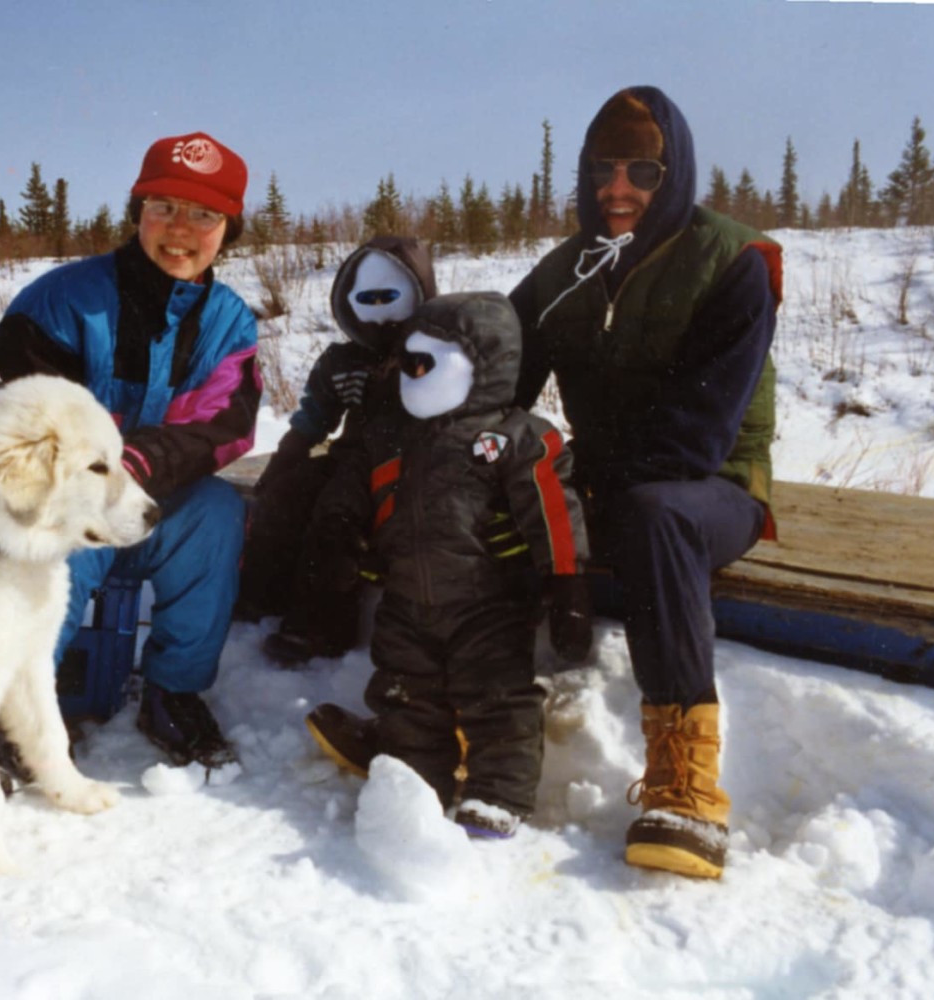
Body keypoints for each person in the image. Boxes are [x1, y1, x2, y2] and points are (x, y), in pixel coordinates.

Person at [509, 86, 781, 878]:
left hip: (711, 488)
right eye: (602, 168)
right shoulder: (565, 269)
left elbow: (701, 432)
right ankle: (453, 719)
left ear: (676, 173)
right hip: (607, 483)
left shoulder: (735, 262)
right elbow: (501, 372)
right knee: (488, 478)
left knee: (655, 514)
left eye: (642, 170)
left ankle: (685, 787)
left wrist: (584, 485)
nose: (617, 187)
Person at [0, 131, 260, 770]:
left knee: (217, 514)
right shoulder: (59, 302)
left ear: (228, 229)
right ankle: (16, 712)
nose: (181, 230)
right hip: (58, 506)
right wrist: (93, 481)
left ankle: (174, 690)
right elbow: (20, 415)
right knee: (62, 534)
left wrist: (133, 469)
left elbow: (227, 425)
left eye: (204, 215)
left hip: (152, 505)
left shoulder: (228, 322)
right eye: (165, 205)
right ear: (137, 211)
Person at [304, 291, 592, 838]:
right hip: (405, 601)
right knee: (405, 692)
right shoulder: (391, 436)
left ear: (481, 363)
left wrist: (567, 583)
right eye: (405, 363)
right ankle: (419, 782)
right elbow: (353, 490)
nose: (410, 375)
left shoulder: (512, 438)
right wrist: (341, 540)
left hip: (490, 602)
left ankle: (498, 794)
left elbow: (553, 511)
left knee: (498, 696)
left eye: (423, 363)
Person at [236, 236, 437, 666]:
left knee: (338, 516)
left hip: (408, 465)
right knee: (287, 494)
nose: (381, 309)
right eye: (369, 298)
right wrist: (284, 461)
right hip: (350, 457)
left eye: (390, 296)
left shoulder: (431, 357)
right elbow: (313, 417)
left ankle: (320, 626)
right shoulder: (344, 362)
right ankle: (259, 597)